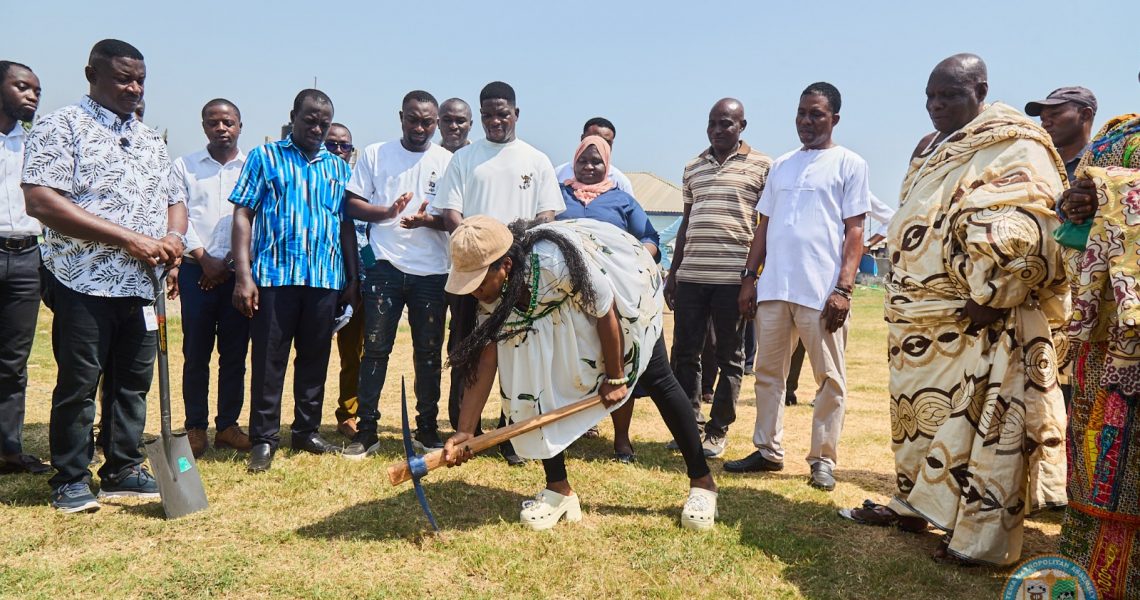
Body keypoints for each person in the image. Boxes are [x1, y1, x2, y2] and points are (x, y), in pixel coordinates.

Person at [838, 54, 1069, 566]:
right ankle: (914, 503)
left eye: (949, 96)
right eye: (930, 96)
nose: (936, 106)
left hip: (979, 319)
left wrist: (994, 292)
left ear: (981, 91)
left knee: (984, 429)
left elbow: (1033, 221)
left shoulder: (1017, 143)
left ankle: (979, 541)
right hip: (917, 323)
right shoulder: (933, 147)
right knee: (918, 424)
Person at [441, 216, 718, 531]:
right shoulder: (488, 296)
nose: (473, 292)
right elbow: (486, 358)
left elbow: (605, 310)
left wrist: (615, 376)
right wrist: (466, 431)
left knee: (658, 379)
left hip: (620, 302)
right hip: (557, 316)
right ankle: (558, 489)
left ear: (505, 266)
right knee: (532, 386)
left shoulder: (554, 260)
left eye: (478, 282)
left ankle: (702, 482)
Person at [22, 39, 188, 512]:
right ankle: (71, 477)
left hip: (140, 285)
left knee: (132, 382)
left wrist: (174, 238)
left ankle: (123, 467)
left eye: (140, 80)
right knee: (80, 384)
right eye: (123, 78)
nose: (134, 88)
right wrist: (127, 239)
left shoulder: (151, 139)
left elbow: (175, 200)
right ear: (92, 74)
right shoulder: (61, 126)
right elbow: (41, 200)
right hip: (83, 280)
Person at [727, 82, 870, 493]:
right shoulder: (782, 165)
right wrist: (750, 277)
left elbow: (855, 230)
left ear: (834, 119)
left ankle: (822, 459)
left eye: (816, 114)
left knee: (829, 379)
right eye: (801, 113)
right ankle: (767, 450)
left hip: (820, 291)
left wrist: (844, 289)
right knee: (768, 373)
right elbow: (764, 225)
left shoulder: (850, 164)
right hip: (774, 287)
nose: (806, 121)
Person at [430, 81, 565, 465]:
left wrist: (512, 249)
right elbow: (450, 212)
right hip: (472, 274)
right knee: (465, 349)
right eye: (488, 115)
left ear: (516, 114)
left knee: (517, 353)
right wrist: (477, 246)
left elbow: (547, 215)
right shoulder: (464, 159)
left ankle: (511, 434)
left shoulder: (536, 160)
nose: (495, 121)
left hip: (518, 275)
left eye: (502, 114)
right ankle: (465, 430)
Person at [230, 89, 357, 473]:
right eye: (310, 121)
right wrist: (243, 275)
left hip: (323, 278)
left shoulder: (338, 168)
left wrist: (351, 277)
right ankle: (264, 439)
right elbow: (243, 215)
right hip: (274, 277)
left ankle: (306, 431)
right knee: (269, 361)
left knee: (315, 359)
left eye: (323, 123)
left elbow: (346, 225)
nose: (317, 129)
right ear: (293, 117)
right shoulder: (264, 157)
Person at [1054, 85, 1140, 596]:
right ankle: (1094, 570)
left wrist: (1111, 196)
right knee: (1096, 450)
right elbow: (1072, 214)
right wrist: (1076, 203)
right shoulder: (1114, 137)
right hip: (1106, 334)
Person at [341, 90, 453, 458]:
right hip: (384, 267)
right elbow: (351, 204)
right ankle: (366, 431)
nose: (419, 128)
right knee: (375, 350)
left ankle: (427, 429)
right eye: (413, 120)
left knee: (428, 353)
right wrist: (388, 212)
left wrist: (427, 220)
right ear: (400, 117)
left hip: (432, 272)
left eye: (427, 122)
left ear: (436, 123)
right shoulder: (376, 153)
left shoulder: (448, 161)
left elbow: (454, 218)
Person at [665, 98, 771, 459]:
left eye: (726, 123)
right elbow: (686, 223)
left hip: (733, 279)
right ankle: (689, 424)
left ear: (742, 126)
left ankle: (717, 429)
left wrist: (753, 278)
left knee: (730, 357)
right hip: (692, 276)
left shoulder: (763, 166)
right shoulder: (693, 167)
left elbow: (766, 227)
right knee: (684, 353)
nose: (717, 130)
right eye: (712, 123)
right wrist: (674, 273)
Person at [555, 134, 658, 462]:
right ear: (574, 162)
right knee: (568, 362)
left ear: (607, 165)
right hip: (565, 297)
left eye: (596, 161)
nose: (589, 166)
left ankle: (622, 440)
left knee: (618, 361)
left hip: (614, 296)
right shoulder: (557, 195)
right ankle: (567, 432)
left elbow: (650, 238)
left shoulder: (622, 200)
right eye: (583, 160)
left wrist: (633, 260)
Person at [167, 98, 251, 458]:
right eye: (214, 122)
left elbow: (257, 217)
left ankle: (228, 426)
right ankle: (196, 427)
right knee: (196, 353)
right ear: (204, 126)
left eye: (228, 122)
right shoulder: (184, 166)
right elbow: (177, 215)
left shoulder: (252, 167)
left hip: (238, 273)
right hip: (195, 271)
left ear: (240, 126)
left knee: (235, 354)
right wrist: (203, 259)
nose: (221, 128)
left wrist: (228, 262)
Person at [784, 193, 894, 407]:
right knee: (796, 332)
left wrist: (865, 246)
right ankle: (788, 389)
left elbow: (890, 218)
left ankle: (826, 394)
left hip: (836, 275)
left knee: (829, 334)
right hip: (802, 269)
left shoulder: (852, 188)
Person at [0, 60, 48, 476]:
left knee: (13, 361)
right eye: (22, 87)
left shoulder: (36, 144)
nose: (32, 95)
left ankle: (8, 450)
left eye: (36, 90)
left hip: (26, 258)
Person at [325, 122, 364, 440]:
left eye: (344, 146)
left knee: (355, 353)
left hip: (362, 280)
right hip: (324, 279)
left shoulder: (360, 181)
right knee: (313, 351)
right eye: (331, 144)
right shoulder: (315, 178)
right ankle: (305, 419)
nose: (338, 150)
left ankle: (350, 413)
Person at [1025, 86, 1097, 183]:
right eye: (1043, 119)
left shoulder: (1104, 160)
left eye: (1054, 115)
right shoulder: (1037, 163)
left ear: (1085, 115)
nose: (1045, 124)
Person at [554, 117, 635, 194]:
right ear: (582, 139)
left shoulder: (619, 181)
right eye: (592, 139)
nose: (598, 144)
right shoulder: (558, 174)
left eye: (605, 142)